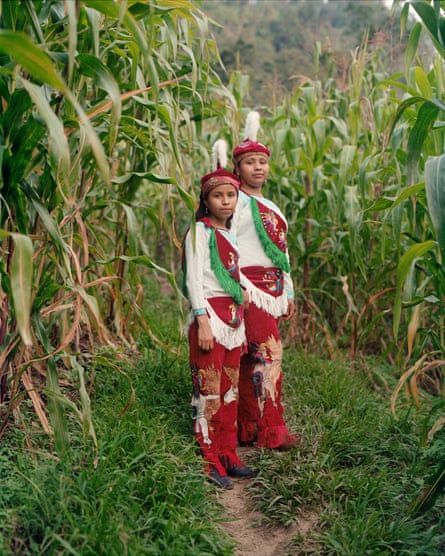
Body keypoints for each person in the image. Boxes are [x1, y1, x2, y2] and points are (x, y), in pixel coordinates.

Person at [182, 139, 255, 489]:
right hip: (209, 317)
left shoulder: (230, 234)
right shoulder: (199, 232)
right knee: (207, 391)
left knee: (229, 392)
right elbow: (193, 277)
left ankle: (227, 454)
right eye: (218, 196)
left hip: (233, 322)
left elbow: (237, 278)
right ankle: (208, 460)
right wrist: (201, 320)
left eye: (231, 196)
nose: (225, 202)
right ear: (206, 200)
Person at [231, 111, 300, 451]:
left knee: (252, 359)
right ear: (238, 168)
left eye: (262, 161)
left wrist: (287, 292)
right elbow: (222, 247)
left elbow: (281, 253)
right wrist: (235, 286)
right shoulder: (232, 202)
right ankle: (271, 430)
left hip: (271, 291)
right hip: (245, 289)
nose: (258, 167)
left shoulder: (272, 208)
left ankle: (248, 428)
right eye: (250, 162)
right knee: (267, 355)